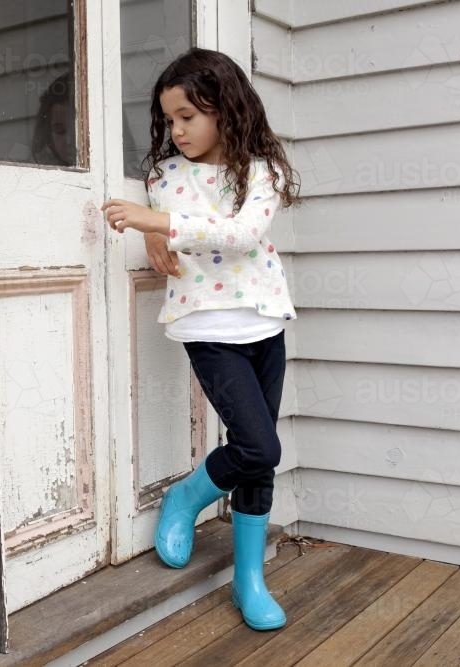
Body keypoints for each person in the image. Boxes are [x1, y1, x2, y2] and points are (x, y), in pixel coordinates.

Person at [101, 47, 301, 632]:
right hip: (206, 326)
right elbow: (168, 238)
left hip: (262, 320)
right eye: (169, 119)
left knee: (256, 457)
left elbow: (239, 234)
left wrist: (155, 224)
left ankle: (248, 578)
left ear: (226, 109)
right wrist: (153, 238)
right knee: (260, 447)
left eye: (188, 115)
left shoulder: (262, 170)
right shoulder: (163, 176)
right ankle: (189, 496)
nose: (177, 129)